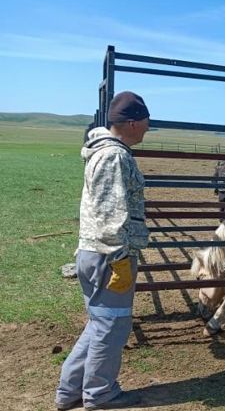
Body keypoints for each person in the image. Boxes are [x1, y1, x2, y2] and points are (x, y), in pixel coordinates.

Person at [55, 92, 151, 410]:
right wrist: (120, 259)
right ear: (133, 123)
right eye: (146, 122)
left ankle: (70, 390)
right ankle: (100, 393)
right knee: (112, 325)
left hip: (95, 253)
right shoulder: (114, 157)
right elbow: (110, 214)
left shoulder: (104, 152)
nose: (148, 128)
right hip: (109, 256)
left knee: (100, 323)